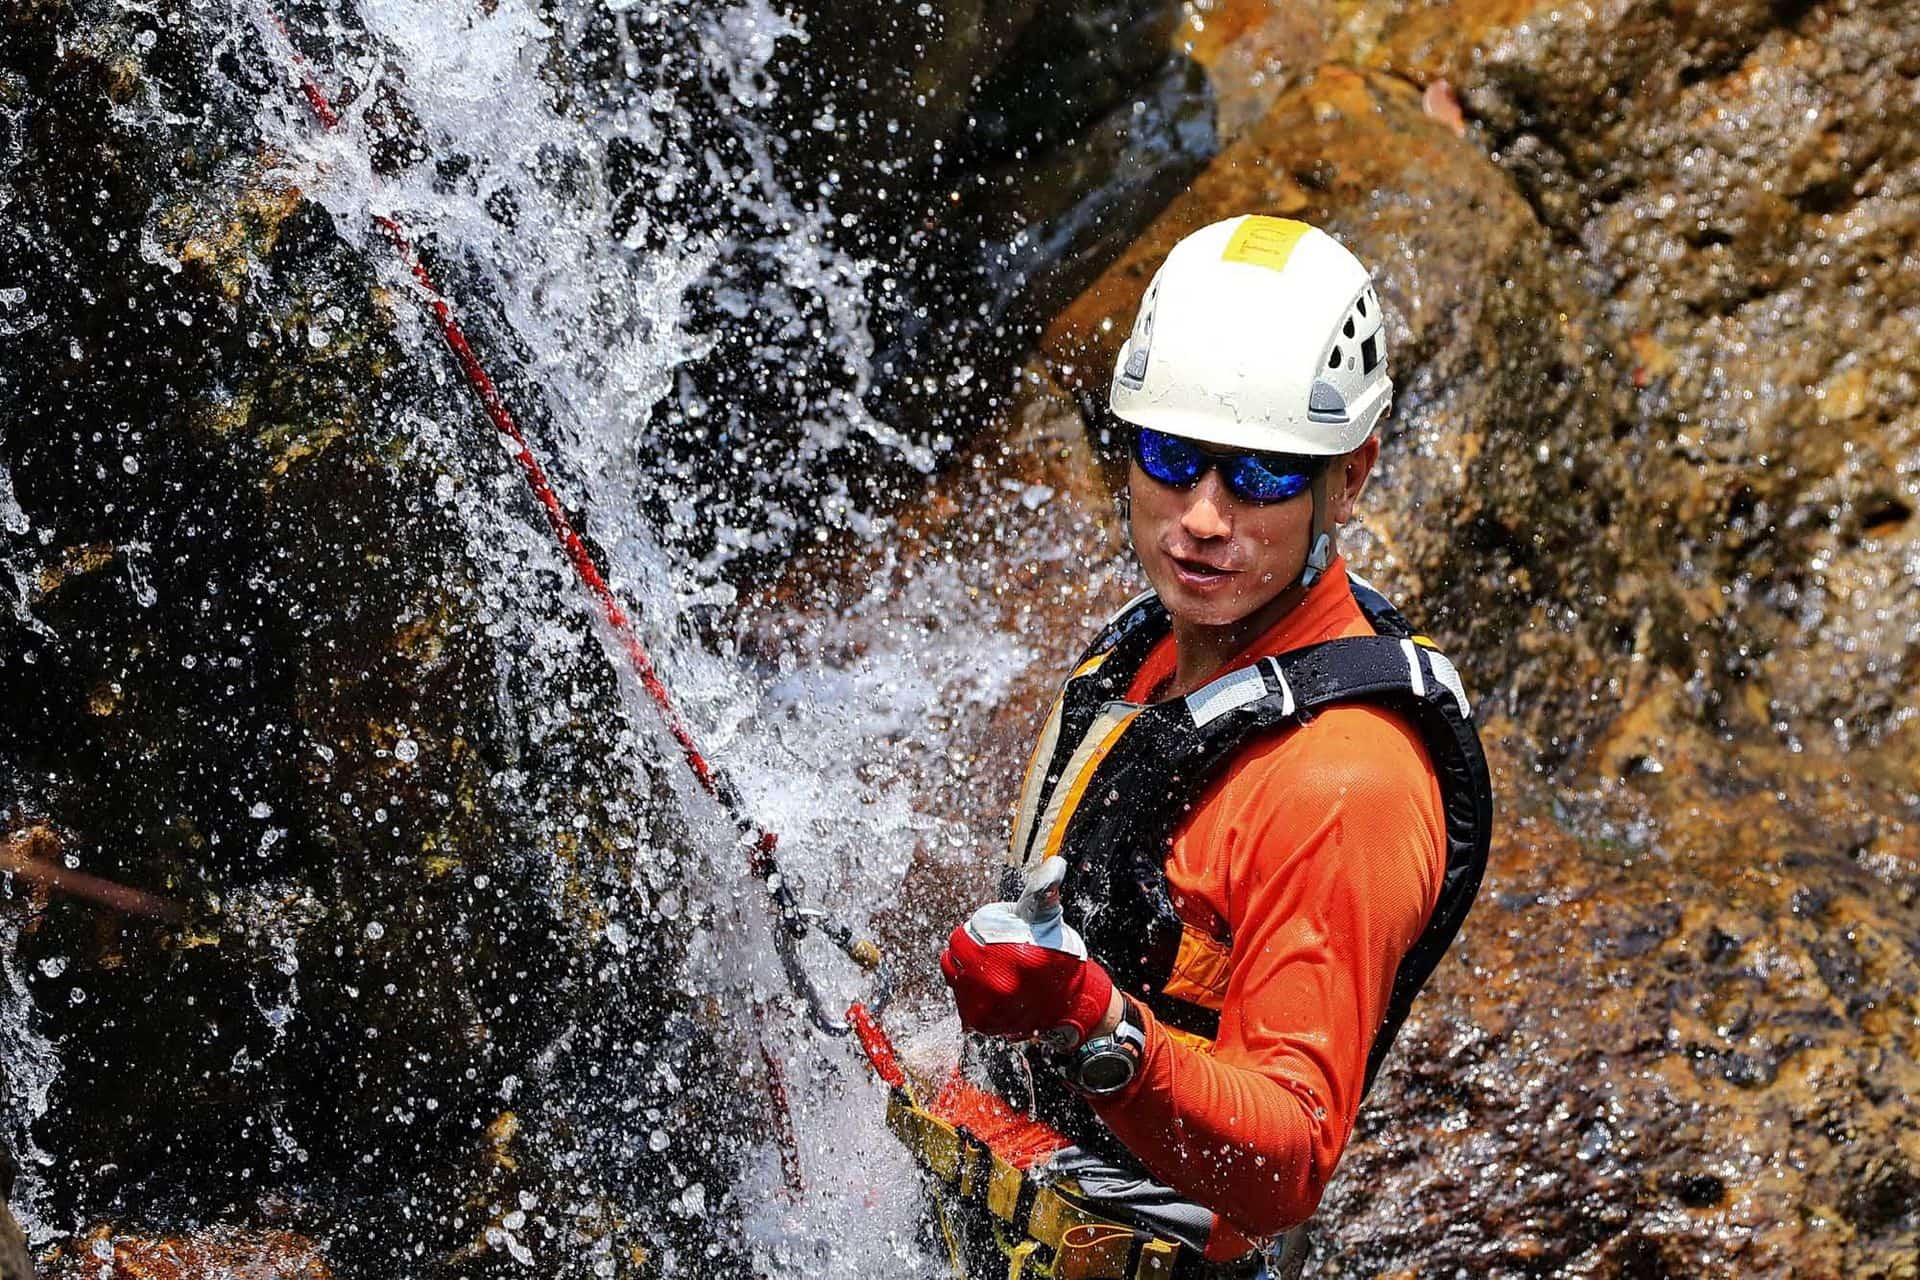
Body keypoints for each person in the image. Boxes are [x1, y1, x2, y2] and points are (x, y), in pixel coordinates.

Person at [904, 215, 1494, 1280]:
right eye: (1171, 459)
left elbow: (1291, 1158)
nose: (1203, 519)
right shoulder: (1151, 654)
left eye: (1261, 475)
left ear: (1349, 479)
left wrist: (1088, 1017)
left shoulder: (1343, 779)